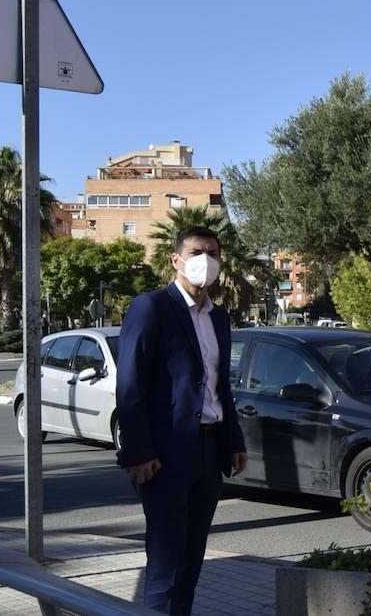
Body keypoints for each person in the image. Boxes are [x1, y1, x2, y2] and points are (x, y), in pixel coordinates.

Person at [116, 226, 248, 615]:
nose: (203, 260)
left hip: (210, 450)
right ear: (176, 259)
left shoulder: (218, 318)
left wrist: (234, 440)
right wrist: (139, 451)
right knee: (166, 564)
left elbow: (219, 385)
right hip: (165, 456)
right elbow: (130, 384)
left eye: (212, 253)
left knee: (191, 562)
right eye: (195, 252)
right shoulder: (150, 307)